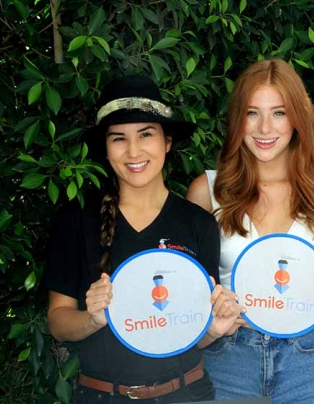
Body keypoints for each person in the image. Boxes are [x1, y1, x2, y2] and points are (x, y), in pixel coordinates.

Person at [45, 75, 241, 403]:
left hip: (189, 393)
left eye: (146, 134)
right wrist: (92, 320)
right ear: (105, 149)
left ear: (167, 141)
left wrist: (213, 329)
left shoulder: (198, 223)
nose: (133, 151)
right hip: (102, 396)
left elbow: (192, 331)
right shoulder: (76, 220)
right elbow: (58, 321)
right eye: (119, 138)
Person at [186, 58, 314, 403]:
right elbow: (192, 294)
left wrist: (307, 301)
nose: (265, 128)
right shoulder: (207, 190)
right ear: (237, 119)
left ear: (297, 117)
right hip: (229, 358)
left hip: (306, 359)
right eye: (252, 113)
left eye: (278, 112)